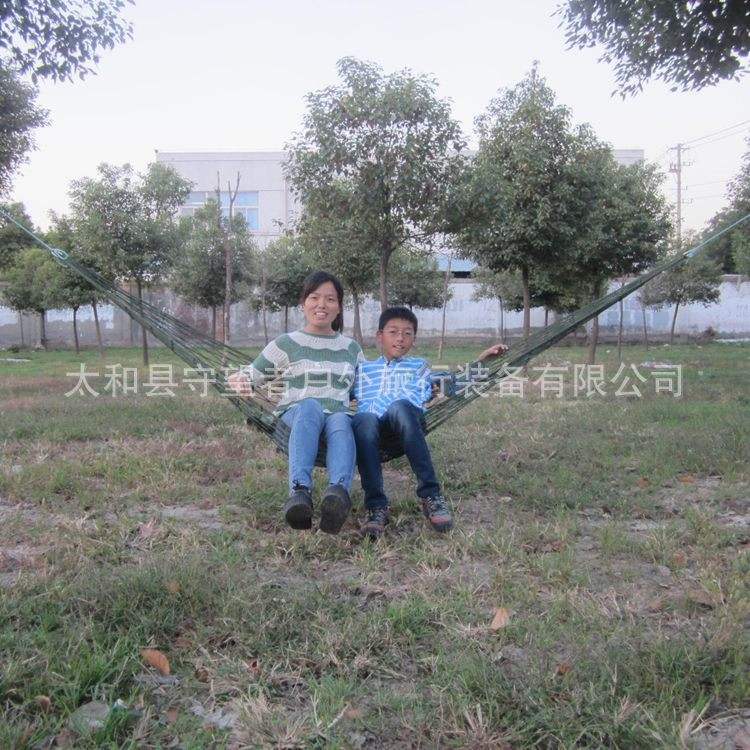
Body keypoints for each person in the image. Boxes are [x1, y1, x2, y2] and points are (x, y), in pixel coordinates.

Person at [351, 306, 507, 539]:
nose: (400, 338)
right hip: (370, 429)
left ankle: (431, 495)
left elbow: (454, 383)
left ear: (414, 339)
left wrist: (482, 361)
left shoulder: (419, 367)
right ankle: (376, 506)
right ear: (379, 336)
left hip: (406, 424)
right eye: (393, 332)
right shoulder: (363, 370)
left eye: (407, 333)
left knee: (400, 406)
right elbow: (334, 394)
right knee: (363, 419)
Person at [227, 271, 364, 534]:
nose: (322, 305)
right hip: (297, 415)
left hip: (336, 416)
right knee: (311, 406)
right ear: (303, 303)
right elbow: (252, 373)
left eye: (330, 299)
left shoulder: (351, 348)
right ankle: (300, 492)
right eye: (314, 297)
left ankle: (337, 495)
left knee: (341, 419)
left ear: (339, 307)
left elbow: (367, 387)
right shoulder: (286, 343)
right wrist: (240, 379)